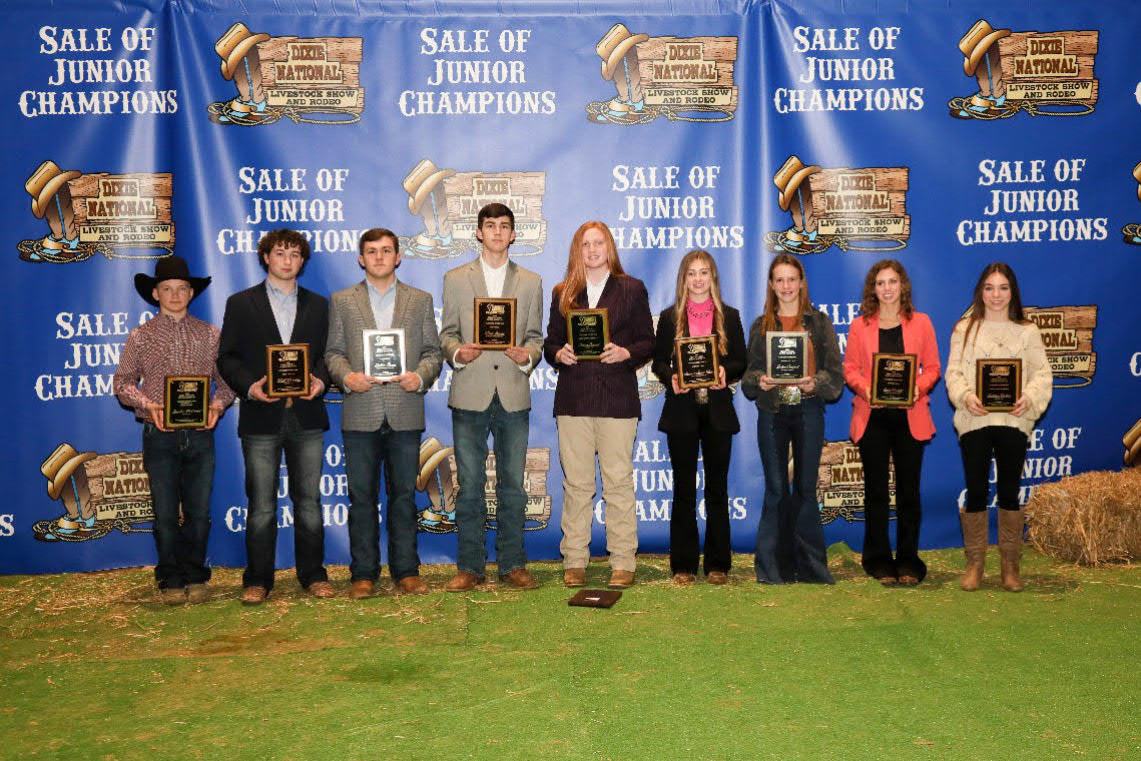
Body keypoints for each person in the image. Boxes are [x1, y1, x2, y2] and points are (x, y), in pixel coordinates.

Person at [217, 229, 333, 605]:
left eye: (295, 255)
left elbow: (328, 355)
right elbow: (227, 358)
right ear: (266, 257)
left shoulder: (319, 305)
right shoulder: (240, 303)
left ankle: (313, 575)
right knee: (262, 506)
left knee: (309, 503)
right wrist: (250, 387)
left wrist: (321, 380)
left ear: (303, 261)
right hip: (260, 417)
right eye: (281, 253)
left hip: (307, 415)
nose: (288, 260)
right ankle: (257, 580)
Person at [325, 229, 443, 599]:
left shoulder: (419, 300)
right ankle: (363, 574)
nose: (379, 257)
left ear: (398, 257)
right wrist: (347, 377)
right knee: (361, 498)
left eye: (386, 250)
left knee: (404, 497)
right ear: (361, 258)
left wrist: (419, 377)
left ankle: (406, 571)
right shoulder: (342, 301)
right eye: (372, 251)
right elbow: (333, 353)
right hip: (360, 412)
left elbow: (433, 352)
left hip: (404, 410)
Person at [113, 256, 234, 605]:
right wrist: (147, 404)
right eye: (167, 289)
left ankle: (195, 575)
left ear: (191, 292)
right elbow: (122, 383)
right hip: (159, 432)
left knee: (198, 512)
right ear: (155, 294)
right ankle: (170, 578)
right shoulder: (141, 337)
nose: (175, 295)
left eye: (182, 288)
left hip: (200, 434)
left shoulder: (211, 335)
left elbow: (227, 384)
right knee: (165, 513)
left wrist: (216, 406)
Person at [439, 204, 544, 591]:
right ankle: (470, 566)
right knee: (469, 485)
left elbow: (536, 338)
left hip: (513, 392)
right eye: (490, 225)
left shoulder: (531, 282)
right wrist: (457, 354)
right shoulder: (455, 279)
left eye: (504, 226)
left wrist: (528, 356)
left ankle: (513, 564)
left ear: (513, 234)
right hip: (470, 392)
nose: (497, 232)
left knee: (513, 486)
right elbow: (447, 334)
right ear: (479, 232)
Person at [543, 222, 654, 589]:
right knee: (577, 484)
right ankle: (575, 559)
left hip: (617, 399)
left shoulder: (632, 288)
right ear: (577, 250)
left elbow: (648, 341)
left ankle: (623, 560)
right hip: (573, 399)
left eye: (598, 243)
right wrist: (558, 353)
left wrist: (625, 353)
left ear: (610, 247)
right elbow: (550, 342)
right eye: (585, 244)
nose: (592, 250)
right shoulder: (563, 292)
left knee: (618, 482)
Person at [946, 262, 1052, 592]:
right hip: (975, 420)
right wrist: (965, 397)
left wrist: (1028, 398)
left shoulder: (1027, 331)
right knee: (976, 489)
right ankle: (975, 563)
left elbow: (1042, 374)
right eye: (990, 288)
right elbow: (953, 373)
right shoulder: (964, 329)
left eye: (1003, 288)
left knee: (1009, 490)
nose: (996, 295)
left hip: (1013, 421)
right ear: (980, 291)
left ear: (1012, 292)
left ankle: (1010, 564)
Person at [741, 254, 842, 584]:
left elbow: (835, 375)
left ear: (801, 283)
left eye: (791, 279)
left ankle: (811, 568)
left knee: (805, 489)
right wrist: (760, 380)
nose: (786, 286)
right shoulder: (761, 325)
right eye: (779, 280)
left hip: (809, 410)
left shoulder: (819, 323)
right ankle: (772, 568)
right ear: (771, 285)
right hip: (772, 413)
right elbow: (748, 376)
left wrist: (816, 383)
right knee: (775, 489)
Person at [843, 260, 941, 586]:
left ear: (903, 286)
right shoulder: (860, 326)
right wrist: (866, 388)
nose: (887, 289)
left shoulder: (922, 323)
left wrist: (918, 387)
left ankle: (909, 559)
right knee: (876, 492)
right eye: (880, 283)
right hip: (872, 417)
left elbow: (933, 368)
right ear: (873, 289)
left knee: (908, 492)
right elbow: (850, 369)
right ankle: (877, 559)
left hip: (910, 417)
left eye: (892, 282)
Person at [651, 250, 746, 585]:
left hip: (718, 410)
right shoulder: (669, 317)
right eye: (692, 273)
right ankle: (683, 565)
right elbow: (658, 362)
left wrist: (724, 372)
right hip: (682, 411)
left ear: (713, 277)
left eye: (704, 272)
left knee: (717, 489)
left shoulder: (730, 316)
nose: (698, 279)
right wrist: (672, 378)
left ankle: (718, 564)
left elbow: (741, 360)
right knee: (683, 490)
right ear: (683, 279)